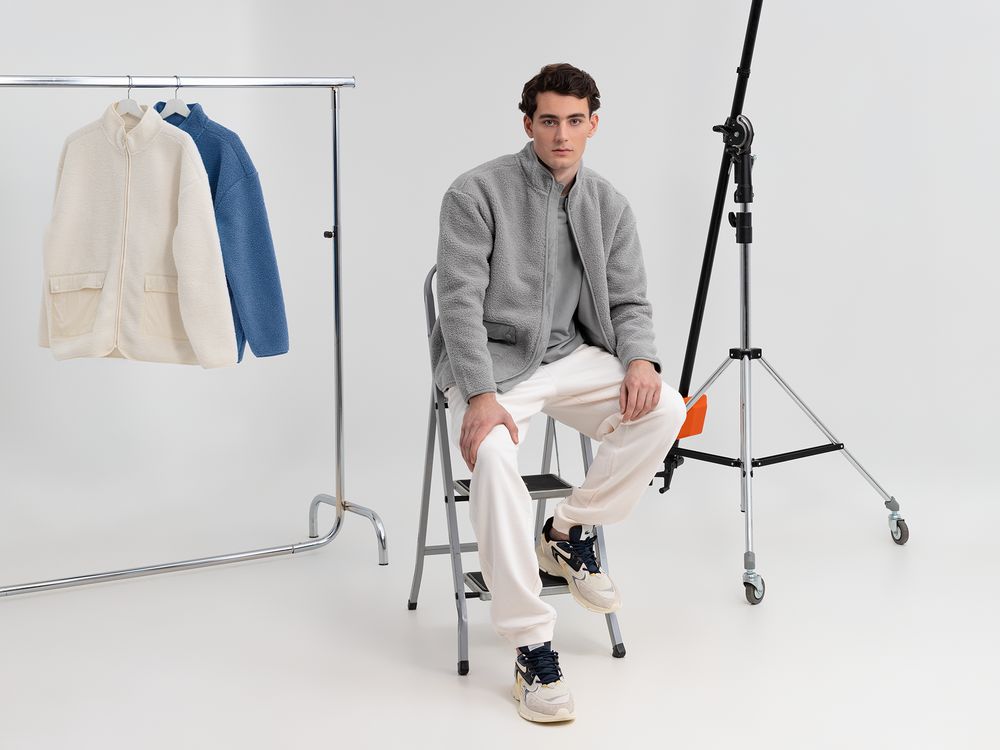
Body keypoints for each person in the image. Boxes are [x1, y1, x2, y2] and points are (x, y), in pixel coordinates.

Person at [428, 62, 687, 723]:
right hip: (492, 369)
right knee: (492, 460)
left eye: (575, 121)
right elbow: (457, 303)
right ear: (528, 124)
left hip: (570, 357)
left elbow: (629, 301)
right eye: (549, 121)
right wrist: (479, 394)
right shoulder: (476, 192)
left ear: (593, 125)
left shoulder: (609, 204)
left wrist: (640, 360)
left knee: (666, 407)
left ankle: (568, 530)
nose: (562, 135)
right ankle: (531, 646)